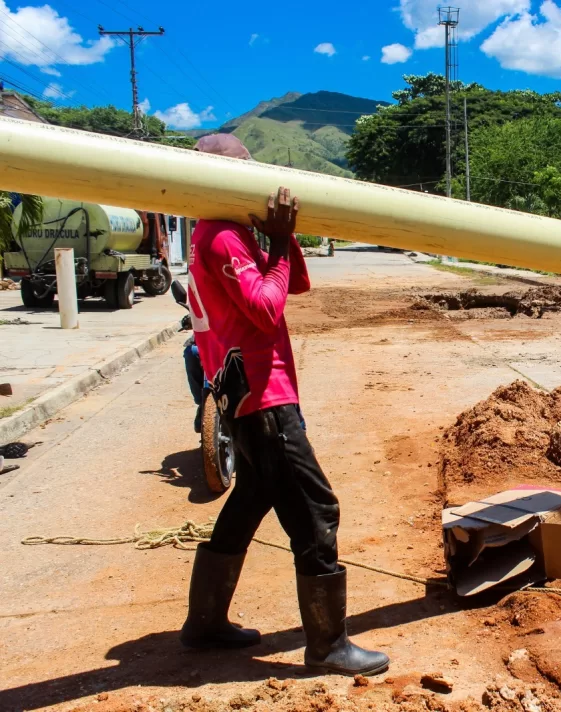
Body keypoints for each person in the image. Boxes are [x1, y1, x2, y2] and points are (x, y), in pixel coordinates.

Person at [179, 134, 389, 676]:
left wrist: (280, 239)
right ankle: (327, 646)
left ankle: (204, 625)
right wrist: (270, 245)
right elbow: (266, 310)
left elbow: (293, 283)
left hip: (245, 395)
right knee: (318, 511)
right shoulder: (222, 235)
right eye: (245, 171)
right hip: (264, 397)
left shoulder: (225, 230)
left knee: (249, 500)